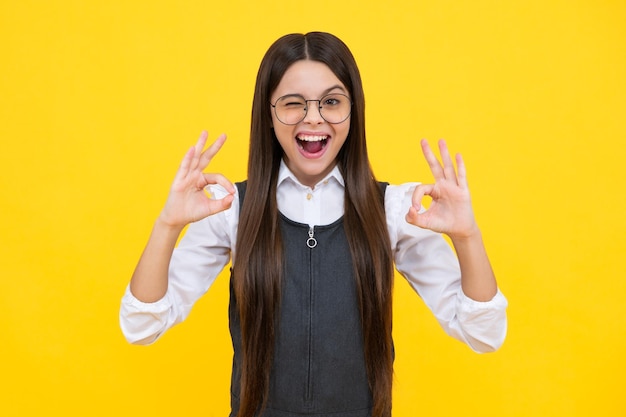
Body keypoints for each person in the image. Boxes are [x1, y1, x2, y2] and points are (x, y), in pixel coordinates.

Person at [119, 32, 507, 417]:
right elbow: (141, 327)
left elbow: (483, 334)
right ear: (268, 116)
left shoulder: (393, 209)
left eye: (332, 102)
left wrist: (466, 237)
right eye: (293, 104)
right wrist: (168, 224)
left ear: (353, 112)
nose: (314, 118)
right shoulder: (232, 208)